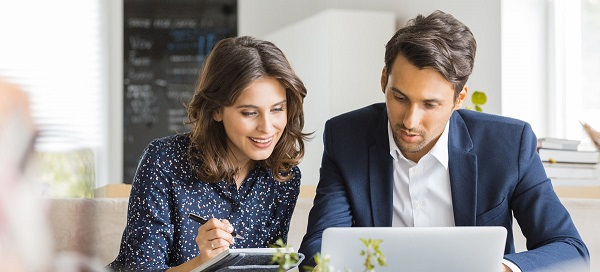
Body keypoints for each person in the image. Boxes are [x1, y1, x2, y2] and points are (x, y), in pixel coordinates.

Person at [298, 10, 589, 272]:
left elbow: (569, 249)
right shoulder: (346, 136)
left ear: (459, 99)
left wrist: (500, 269)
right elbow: (317, 250)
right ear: (384, 78)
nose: (410, 120)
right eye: (399, 97)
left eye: (430, 104)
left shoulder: (508, 144)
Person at [108, 36, 310, 271]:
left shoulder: (284, 178)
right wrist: (203, 263)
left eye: (277, 109)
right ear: (216, 110)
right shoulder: (163, 161)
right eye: (249, 113)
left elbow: (271, 266)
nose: (267, 127)